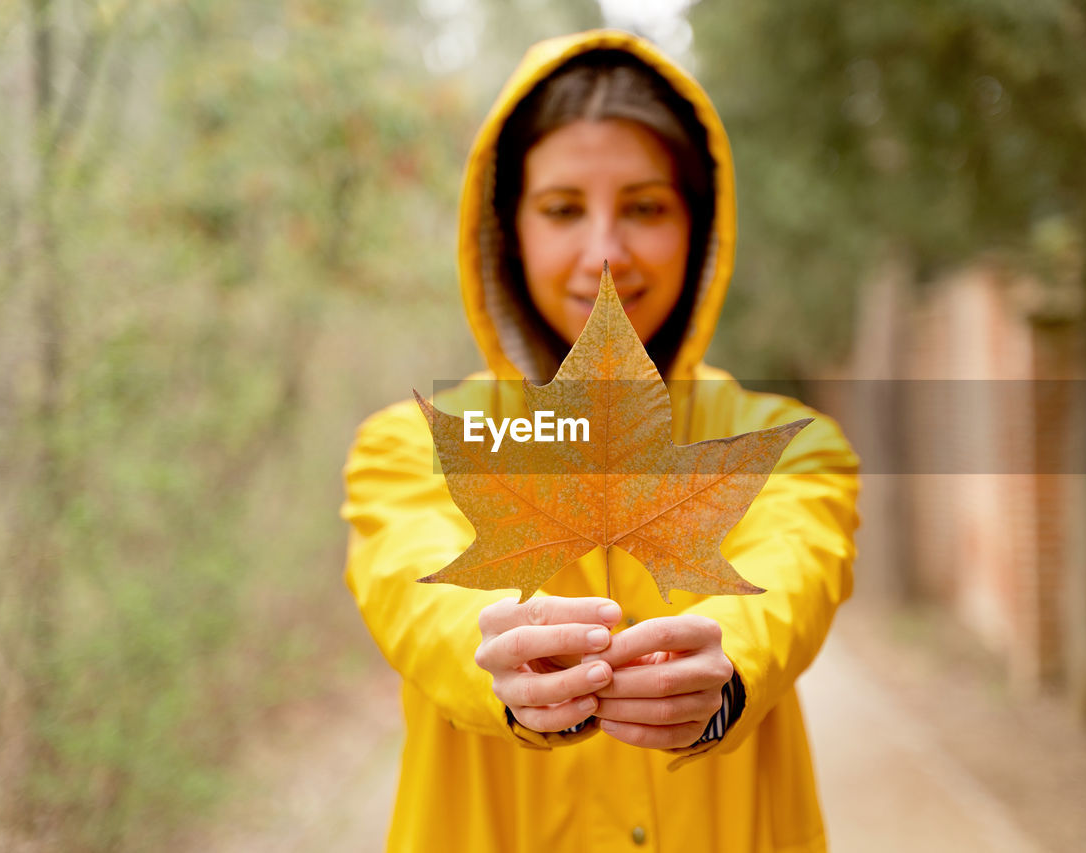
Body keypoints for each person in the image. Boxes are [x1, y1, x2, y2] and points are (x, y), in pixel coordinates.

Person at [342, 29, 860, 853]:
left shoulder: (788, 449)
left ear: (700, 231)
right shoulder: (412, 449)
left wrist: (725, 673)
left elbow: (790, 574)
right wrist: (502, 656)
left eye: (647, 207)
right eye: (562, 210)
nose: (604, 254)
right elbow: (417, 586)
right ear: (506, 230)